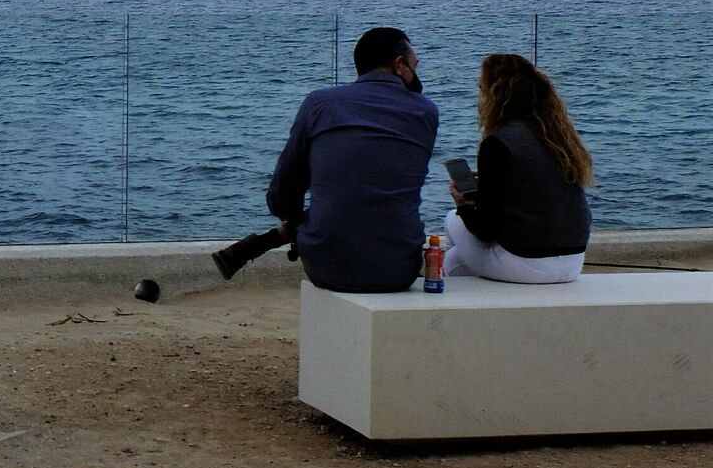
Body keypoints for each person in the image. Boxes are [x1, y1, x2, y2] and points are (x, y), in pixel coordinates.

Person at [213, 26, 439, 291]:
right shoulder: (426, 111)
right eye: (415, 66)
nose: (416, 74)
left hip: (328, 266)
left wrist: (294, 220)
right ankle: (257, 245)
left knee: (339, 202)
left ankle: (258, 244)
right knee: (365, 195)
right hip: (398, 268)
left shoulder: (320, 103)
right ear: (399, 65)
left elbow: (283, 194)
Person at [443, 53, 592, 283]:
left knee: (452, 220)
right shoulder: (559, 139)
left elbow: (484, 230)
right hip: (573, 261)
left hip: (528, 262)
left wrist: (462, 205)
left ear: (493, 95)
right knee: (454, 259)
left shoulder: (498, 142)